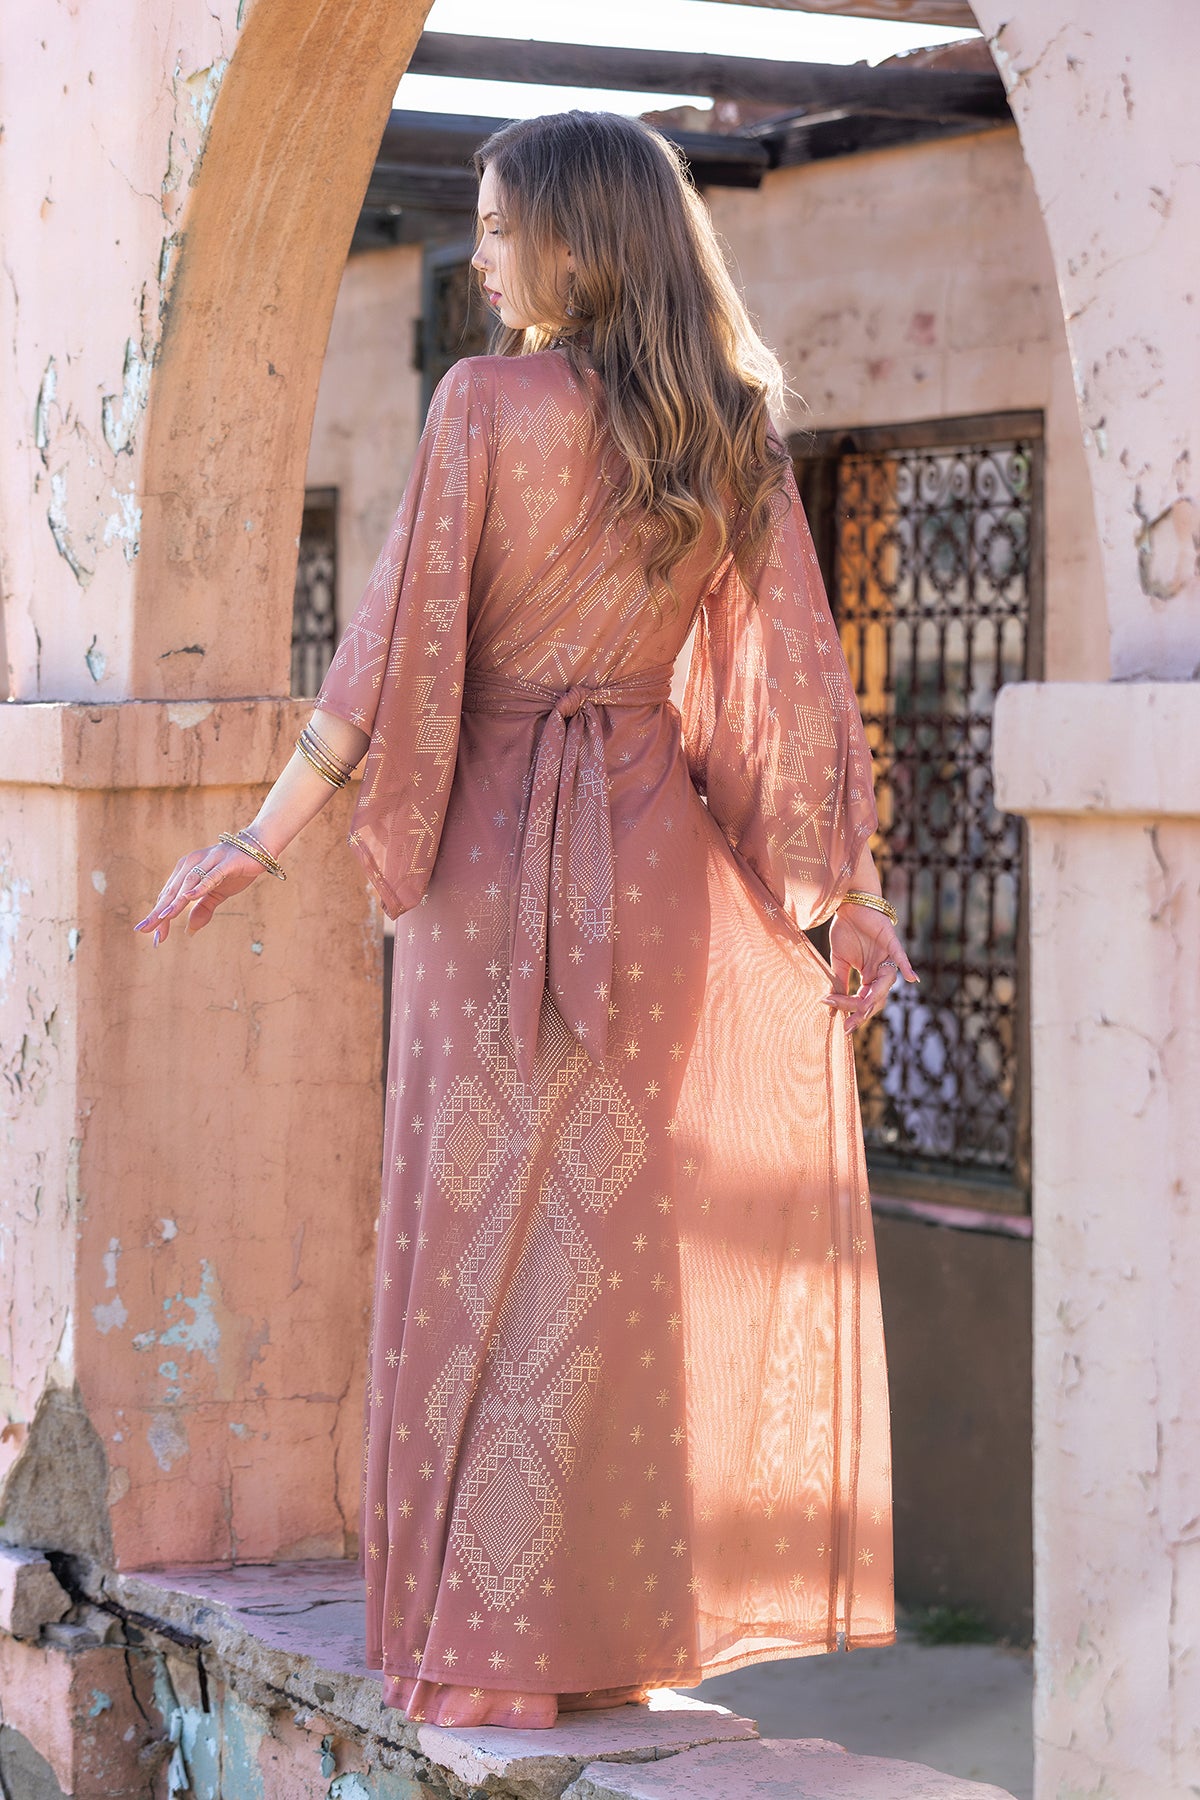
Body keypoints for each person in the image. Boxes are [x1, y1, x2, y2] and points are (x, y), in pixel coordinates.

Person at [136, 110, 916, 1732]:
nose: (478, 257)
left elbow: (384, 664)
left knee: (468, 1251)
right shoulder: (732, 426)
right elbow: (784, 696)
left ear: (573, 236)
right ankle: (594, 1642)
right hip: (659, 878)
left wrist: (262, 840)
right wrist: (841, 907)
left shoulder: (483, 405)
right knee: (605, 1277)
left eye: (496, 229)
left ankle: (476, 1653)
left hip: (495, 871)